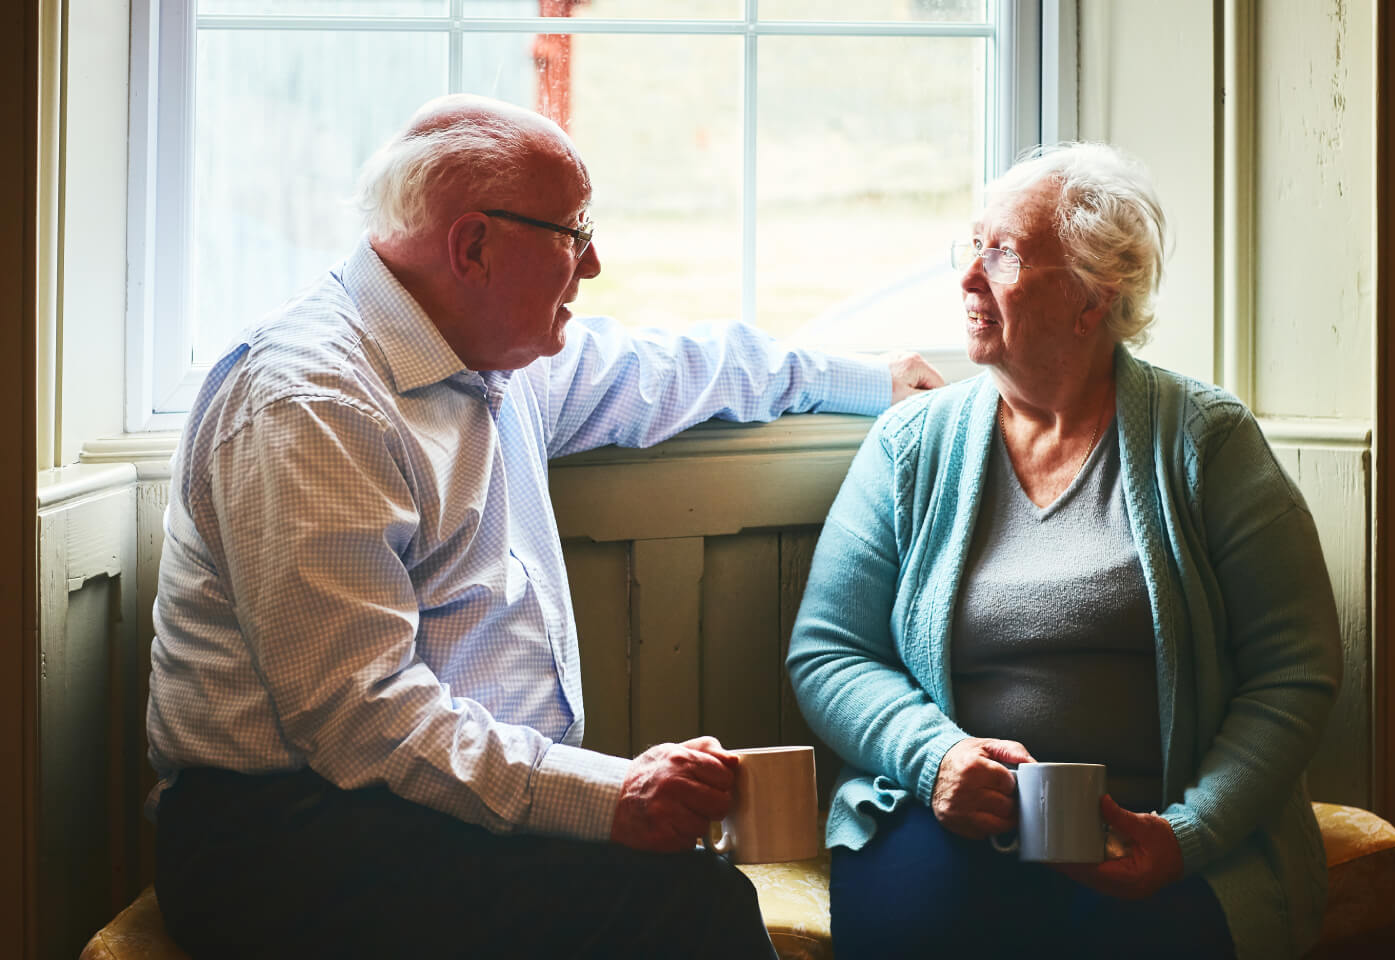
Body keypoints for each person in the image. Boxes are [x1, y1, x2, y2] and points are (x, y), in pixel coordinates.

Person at [146, 93, 942, 960]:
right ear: (473, 246)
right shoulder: (316, 405)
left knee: (680, 887)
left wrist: (875, 383)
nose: (594, 262)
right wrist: (613, 796)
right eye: (573, 232)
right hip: (287, 834)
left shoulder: (493, 354)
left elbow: (677, 367)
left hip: (423, 806)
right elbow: (364, 721)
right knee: (686, 903)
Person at [787, 142, 1343, 959]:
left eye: (1004, 253)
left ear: (1092, 298)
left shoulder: (1206, 442)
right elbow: (830, 651)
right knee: (917, 930)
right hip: (944, 819)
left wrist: (1190, 833)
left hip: (1152, 825)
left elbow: (1294, 671)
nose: (970, 277)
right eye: (971, 246)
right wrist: (933, 757)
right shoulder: (911, 443)